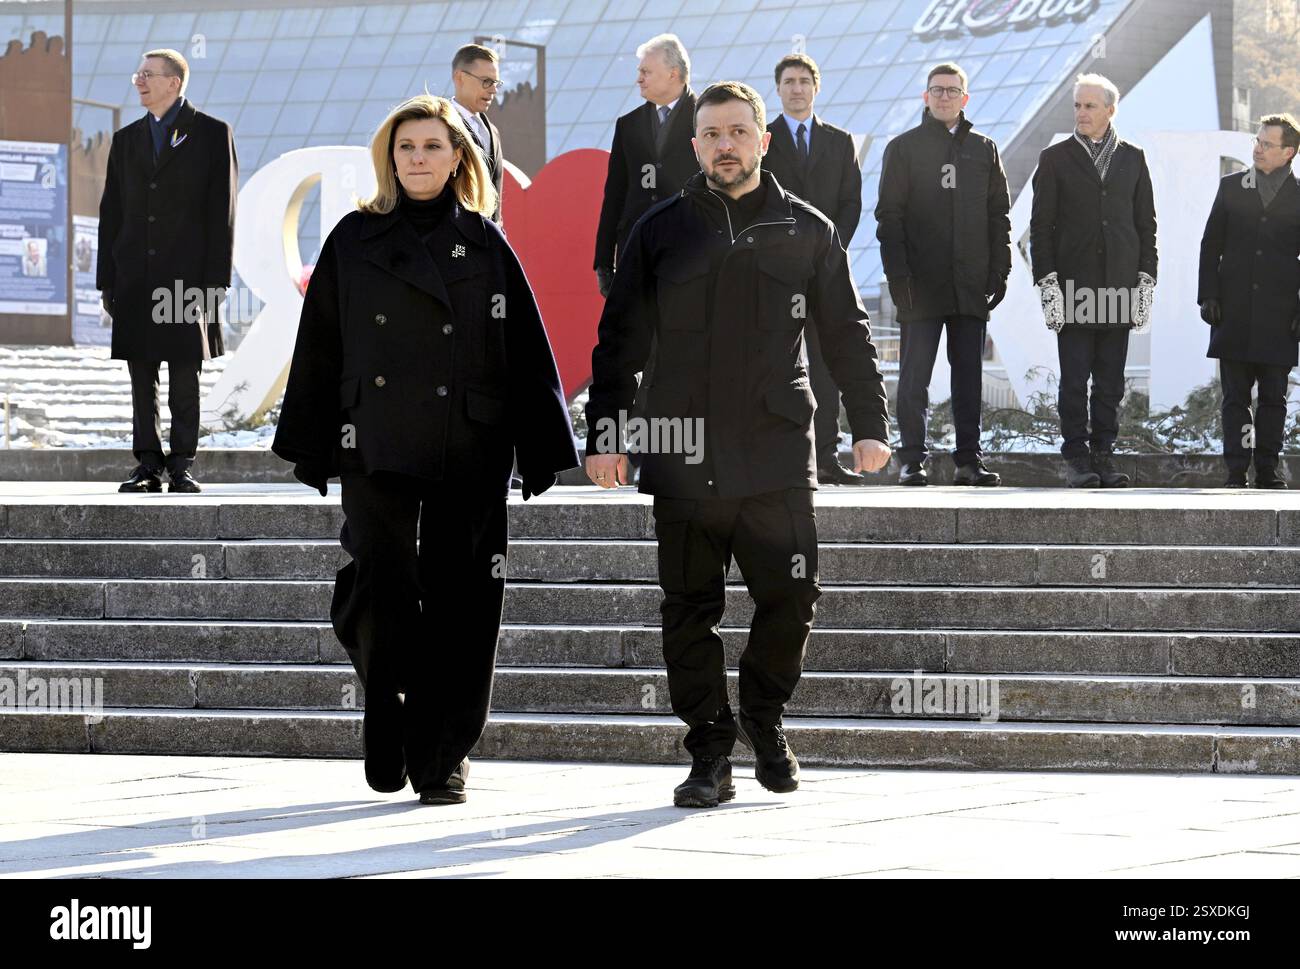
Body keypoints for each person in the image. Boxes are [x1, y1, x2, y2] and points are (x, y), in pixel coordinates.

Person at [584, 81, 891, 809]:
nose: (725, 144)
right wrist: (607, 432)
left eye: (737, 131)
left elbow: (846, 333)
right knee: (688, 607)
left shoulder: (807, 230)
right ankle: (710, 750)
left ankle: (764, 712)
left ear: (762, 139)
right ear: (696, 146)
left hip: (777, 451)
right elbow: (619, 340)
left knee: (791, 595)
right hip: (681, 452)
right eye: (712, 134)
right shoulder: (659, 229)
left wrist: (870, 423)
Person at [271, 94, 579, 805]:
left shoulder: (486, 242)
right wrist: (314, 445)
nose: (418, 158)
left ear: (459, 158)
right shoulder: (352, 237)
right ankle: (395, 723)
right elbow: (320, 344)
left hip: (468, 440)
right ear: (390, 156)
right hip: (374, 437)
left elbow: (525, 349)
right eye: (406, 146)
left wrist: (540, 448)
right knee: (376, 585)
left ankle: (443, 757)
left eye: (433, 146)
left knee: (465, 599)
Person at [97, 48, 236, 494]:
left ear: (175, 82)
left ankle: (181, 464)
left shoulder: (212, 134)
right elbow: (111, 213)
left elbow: (223, 214)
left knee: (183, 373)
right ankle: (147, 464)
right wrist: (107, 278)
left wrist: (216, 282)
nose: (138, 81)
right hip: (134, 274)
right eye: (137, 73)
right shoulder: (126, 140)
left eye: (148, 74)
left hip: (186, 278)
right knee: (141, 374)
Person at [875, 62, 1010, 488]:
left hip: (970, 283)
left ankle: (969, 461)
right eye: (938, 90)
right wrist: (899, 278)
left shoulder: (984, 149)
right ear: (926, 97)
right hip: (920, 285)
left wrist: (999, 271)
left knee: (968, 376)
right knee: (915, 376)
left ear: (965, 99)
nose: (945, 97)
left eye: (953, 91)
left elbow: (998, 216)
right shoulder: (903, 148)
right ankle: (911, 460)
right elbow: (888, 218)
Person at [1030, 73, 1157, 488]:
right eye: (1077, 106)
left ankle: (1104, 454)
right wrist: (1047, 284)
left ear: (1110, 109)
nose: (1081, 113)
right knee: (1074, 377)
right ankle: (1077, 458)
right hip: (1073, 286)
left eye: (1089, 106)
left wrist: (1145, 283)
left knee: (1110, 380)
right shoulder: (1055, 158)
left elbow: (1146, 225)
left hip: (1120, 284)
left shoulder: (1133, 158)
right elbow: (1041, 227)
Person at [764, 52, 866, 485]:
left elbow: (851, 202)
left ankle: (826, 454)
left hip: (826, 270)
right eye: (789, 81)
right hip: (777, 269)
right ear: (779, 88)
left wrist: (829, 251)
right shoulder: (762, 139)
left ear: (816, 86)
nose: (797, 88)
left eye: (804, 80)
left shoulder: (840, 142)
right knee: (775, 360)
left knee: (825, 365)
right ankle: (781, 452)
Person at [1198, 113, 1300, 489]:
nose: (1257, 148)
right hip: (1234, 311)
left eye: (1267, 144)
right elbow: (1211, 245)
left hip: (1282, 316)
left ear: (1288, 152)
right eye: (1257, 141)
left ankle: (1268, 471)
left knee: (1274, 399)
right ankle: (1236, 471)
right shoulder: (1231, 187)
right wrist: (1208, 294)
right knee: (1235, 399)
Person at [450, 43, 504, 225]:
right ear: (460, 78)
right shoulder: (440, 125)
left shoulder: (492, 131)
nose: (493, 90)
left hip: (489, 241)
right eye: (486, 81)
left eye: (496, 83)